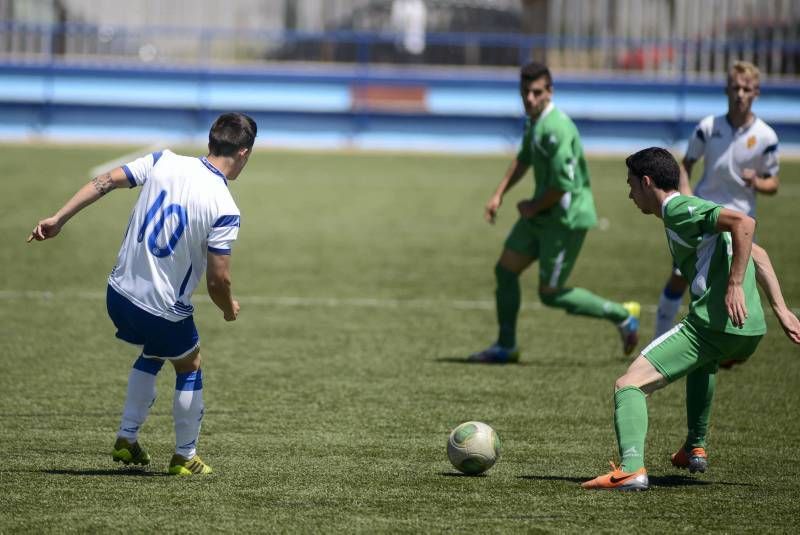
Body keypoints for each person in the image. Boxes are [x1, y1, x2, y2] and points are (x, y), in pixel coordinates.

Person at [27, 112, 257, 475]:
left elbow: (104, 181)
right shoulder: (225, 208)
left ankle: (127, 439)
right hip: (161, 309)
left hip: (117, 294)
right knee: (189, 362)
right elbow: (218, 281)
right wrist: (228, 308)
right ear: (243, 153)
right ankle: (185, 456)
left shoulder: (162, 160)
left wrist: (58, 218)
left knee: (155, 351)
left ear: (212, 141)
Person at [582, 147, 800, 491]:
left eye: (631, 185)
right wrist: (781, 309)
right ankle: (693, 446)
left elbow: (745, 223)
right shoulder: (684, 214)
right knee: (703, 363)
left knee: (629, 385)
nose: (629, 194)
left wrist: (733, 285)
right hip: (748, 330)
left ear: (647, 181)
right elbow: (758, 251)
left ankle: (631, 469)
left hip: (714, 323)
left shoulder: (679, 208)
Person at [469, 61, 640, 363]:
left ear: (550, 92)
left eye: (536, 93)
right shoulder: (533, 121)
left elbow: (563, 185)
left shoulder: (557, 129)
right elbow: (524, 158)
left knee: (549, 293)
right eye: (525, 93)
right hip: (540, 214)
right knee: (505, 271)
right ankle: (506, 346)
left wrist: (532, 206)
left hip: (564, 219)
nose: (530, 99)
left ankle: (623, 315)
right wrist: (499, 194)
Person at [654, 61, 780, 342]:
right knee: (680, 275)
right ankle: (659, 337)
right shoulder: (709, 127)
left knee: (735, 283)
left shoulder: (766, 137)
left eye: (746, 88)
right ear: (726, 90)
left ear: (756, 92)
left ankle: (723, 343)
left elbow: (773, 182)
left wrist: (758, 182)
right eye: (735, 87)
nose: (740, 93)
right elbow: (685, 165)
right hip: (705, 216)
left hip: (740, 222)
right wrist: (687, 197)